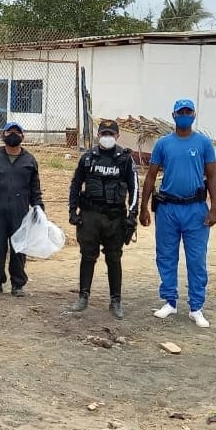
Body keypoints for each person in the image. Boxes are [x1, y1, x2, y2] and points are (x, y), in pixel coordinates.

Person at [139, 98, 216, 328]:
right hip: (168, 208)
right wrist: (144, 207)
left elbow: (212, 176)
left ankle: (196, 307)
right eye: (180, 112)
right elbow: (151, 176)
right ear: (174, 116)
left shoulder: (203, 143)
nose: (184, 115)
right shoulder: (163, 144)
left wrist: (214, 208)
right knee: (165, 255)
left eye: (188, 112)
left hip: (195, 209)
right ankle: (170, 301)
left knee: (196, 259)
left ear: (194, 115)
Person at [68, 119, 139, 320]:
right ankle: (83, 297)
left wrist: (132, 215)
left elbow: (134, 188)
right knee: (87, 256)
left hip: (115, 218)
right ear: (98, 135)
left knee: (114, 258)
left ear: (117, 136)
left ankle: (115, 301)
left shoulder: (125, 159)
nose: (107, 137)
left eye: (111, 134)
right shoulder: (88, 158)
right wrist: (73, 211)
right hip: (90, 215)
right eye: (104, 134)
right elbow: (75, 185)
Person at [0, 122, 44, 297]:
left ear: (23, 136)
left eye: (17, 132)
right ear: (3, 135)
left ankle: (18, 284)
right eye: (9, 131)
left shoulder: (29, 160)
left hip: (20, 212)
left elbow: (35, 188)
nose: (13, 134)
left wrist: (38, 208)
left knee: (19, 248)